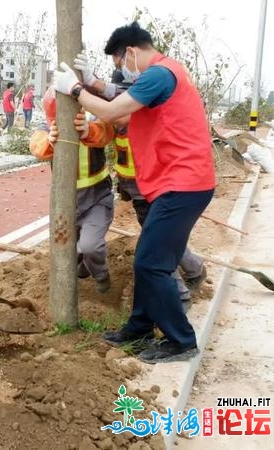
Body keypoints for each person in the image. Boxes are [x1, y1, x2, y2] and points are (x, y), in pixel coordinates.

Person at [53, 22, 215, 364]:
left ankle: (180, 340)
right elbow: (119, 93)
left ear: (130, 52)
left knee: (151, 264)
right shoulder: (164, 72)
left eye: (119, 62)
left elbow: (114, 110)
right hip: (178, 183)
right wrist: (92, 82)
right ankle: (139, 327)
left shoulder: (158, 73)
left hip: (182, 185)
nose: (121, 70)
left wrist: (76, 90)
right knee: (148, 259)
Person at [75, 68, 207, 309]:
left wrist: (92, 83)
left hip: (154, 191)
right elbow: (102, 131)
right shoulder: (116, 122)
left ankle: (180, 294)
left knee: (156, 246)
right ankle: (194, 268)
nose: (114, 104)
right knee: (163, 239)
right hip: (138, 192)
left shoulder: (143, 115)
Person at [29, 87, 113, 294]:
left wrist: (88, 130)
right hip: (66, 202)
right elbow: (36, 145)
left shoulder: (92, 120)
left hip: (97, 198)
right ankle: (82, 269)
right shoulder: (48, 127)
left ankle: (101, 276)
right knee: (68, 249)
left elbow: (106, 132)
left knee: (90, 246)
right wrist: (49, 141)